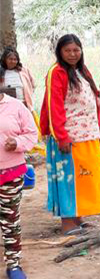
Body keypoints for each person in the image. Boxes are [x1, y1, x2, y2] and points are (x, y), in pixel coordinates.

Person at [39, 34, 100, 235]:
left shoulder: (81, 70)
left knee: (84, 179)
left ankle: (78, 217)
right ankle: (68, 222)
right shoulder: (57, 72)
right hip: (69, 137)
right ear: (59, 52)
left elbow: (92, 99)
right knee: (69, 180)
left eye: (76, 50)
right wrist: (61, 136)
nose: (72, 54)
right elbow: (54, 107)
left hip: (88, 134)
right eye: (67, 50)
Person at [0, 91, 38, 279]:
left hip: (10, 172)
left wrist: (17, 142)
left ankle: (13, 264)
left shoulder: (16, 106)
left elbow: (32, 134)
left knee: (10, 220)